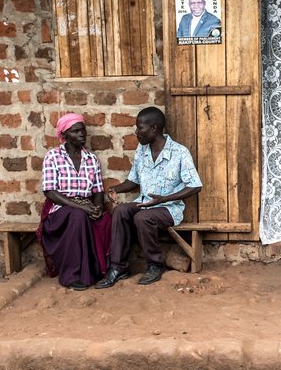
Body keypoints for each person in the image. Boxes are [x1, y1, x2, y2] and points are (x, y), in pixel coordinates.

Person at [97, 107, 202, 287]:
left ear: (154, 128)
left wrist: (163, 199)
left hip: (169, 208)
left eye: (140, 128)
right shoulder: (142, 150)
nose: (136, 132)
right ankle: (118, 267)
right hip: (144, 203)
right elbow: (133, 181)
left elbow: (195, 186)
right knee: (121, 211)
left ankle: (155, 264)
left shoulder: (179, 152)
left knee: (142, 217)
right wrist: (116, 188)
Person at [37, 113, 112, 291]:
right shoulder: (53, 157)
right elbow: (50, 192)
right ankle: (72, 275)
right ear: (64, 135)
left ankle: (102, 270)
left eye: (83, 130)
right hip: (60, 209)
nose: (81, 134)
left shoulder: (91, 159)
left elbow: (98, 191)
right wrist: (82, 207)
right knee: (78, 216)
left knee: (107, 220)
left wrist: (98, 208)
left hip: (85, 206)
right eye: (75, 131)